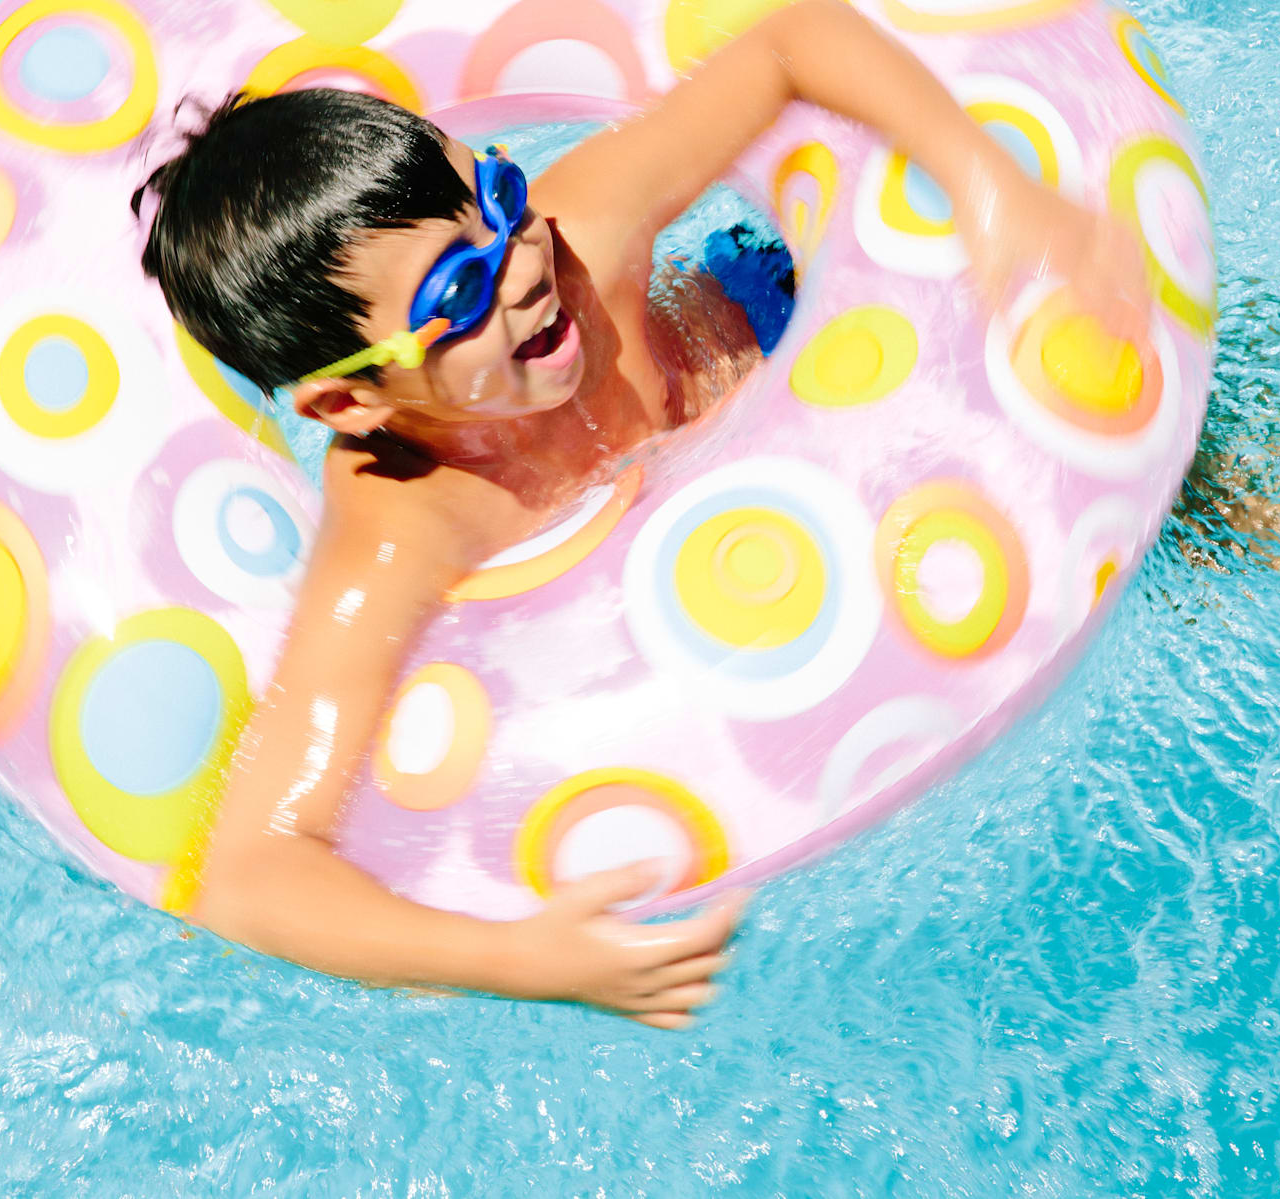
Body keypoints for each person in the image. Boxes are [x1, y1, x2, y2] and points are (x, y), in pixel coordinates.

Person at [132, 0, 1148, 1029]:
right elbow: (251, 874)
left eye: (498, 193)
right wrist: (516, 957)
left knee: (1140, 458)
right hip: (727, 597)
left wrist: (982, 180)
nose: (523, 262)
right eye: (461, 284)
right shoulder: (405, 528)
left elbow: (792, 42)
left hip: (775, 328)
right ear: (351, 402)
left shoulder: (582, 229)